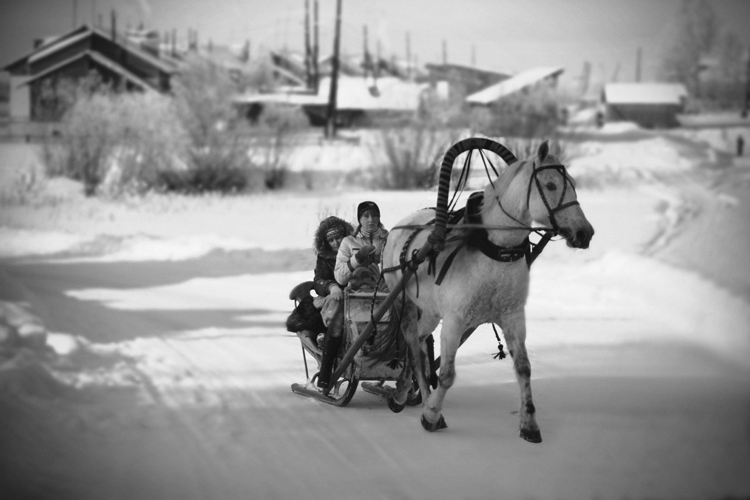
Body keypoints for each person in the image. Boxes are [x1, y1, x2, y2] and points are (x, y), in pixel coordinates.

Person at [317, 201, 389, 390]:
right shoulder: (349, 241)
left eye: (374, 215)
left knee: (414, 321)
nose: (371, 219)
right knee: (337, 324)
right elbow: (339, 276)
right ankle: (325, 375)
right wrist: (357, 259)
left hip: (384, 295)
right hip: (356, 297)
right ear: (359, 219)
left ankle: (423, 373)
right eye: (366, 216)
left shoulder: (390, 239)